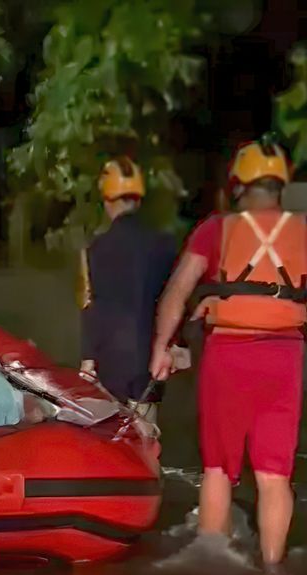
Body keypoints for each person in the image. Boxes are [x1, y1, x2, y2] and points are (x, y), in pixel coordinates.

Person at [149, 135, 307, 566]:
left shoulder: (215, 229)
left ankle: (210, 574)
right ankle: (273, 571)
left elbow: (176, 292)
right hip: (284, 360)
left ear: (240, 186)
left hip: (229, 356)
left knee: (218, 470)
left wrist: (162, 347)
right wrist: (297, 311)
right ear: (282, 186)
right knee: (274, 475)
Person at [78, 154, 186, 421]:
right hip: (149, 361)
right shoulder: (165, 243)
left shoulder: (95, 249)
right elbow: (174, 299)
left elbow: (92, 306)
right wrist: (175, 345)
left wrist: (88, 358)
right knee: (145, 440)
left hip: (109, 362)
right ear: (138, 200)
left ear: (106, 200)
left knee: (113, 446)